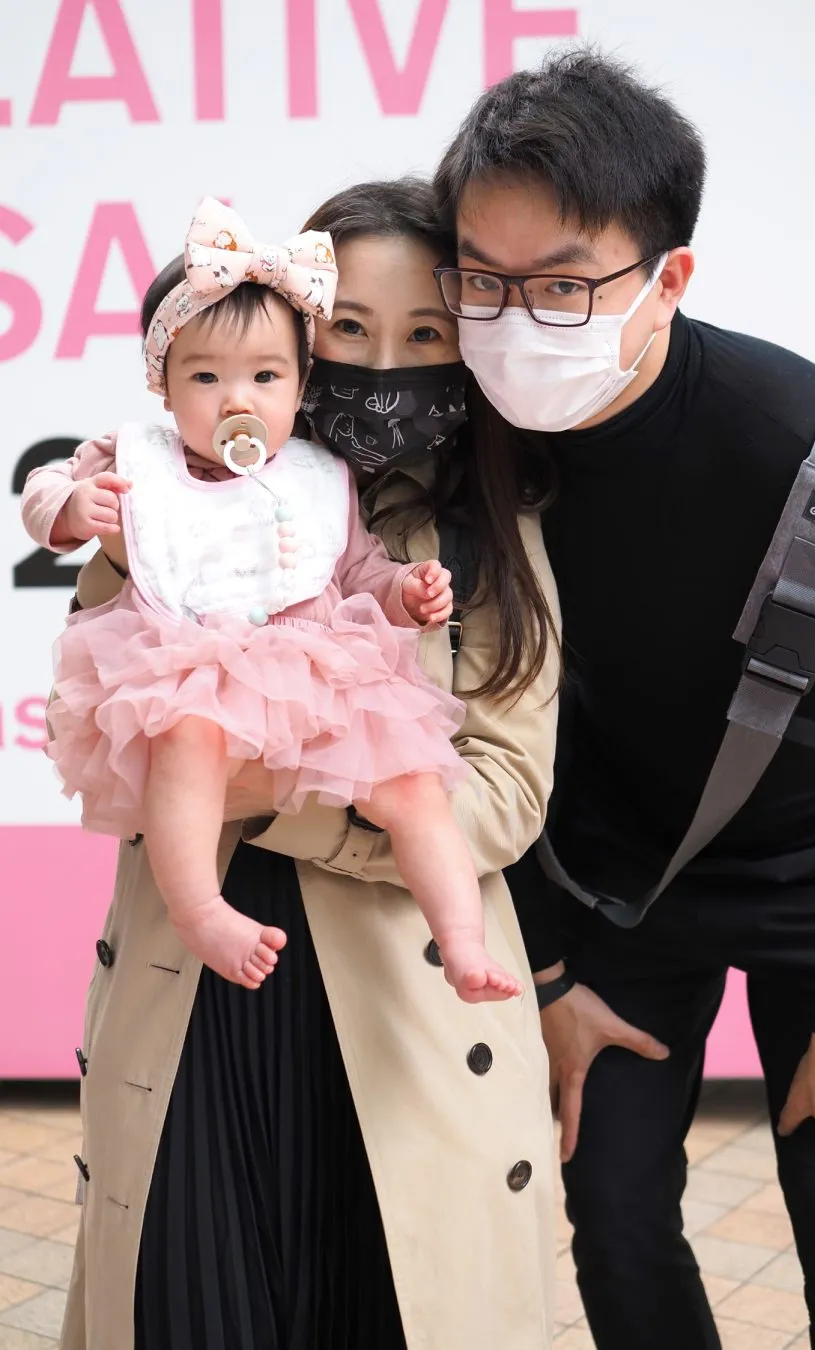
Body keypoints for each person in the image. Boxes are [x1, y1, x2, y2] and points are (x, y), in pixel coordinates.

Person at [434, 47, 815, 1350]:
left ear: (668, 279)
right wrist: (544, 971)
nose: (512, 322)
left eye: (562, 285)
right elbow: (460, 723)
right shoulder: (459, 446)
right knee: (612, 1210)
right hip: (614, 886)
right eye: (481, 279)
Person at [56, 179, 560, 1350]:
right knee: (189, 1298)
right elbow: (103, 707)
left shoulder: (485, 530)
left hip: (401, 1013)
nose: (384, 366)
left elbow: (504, 797)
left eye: (425, 334)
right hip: (194, 995)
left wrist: (280, 794)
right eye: (351, 330)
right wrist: (107, 519)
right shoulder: (168, 487)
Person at [24, 197, 520, 1003]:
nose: (237, 400)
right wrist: (74, 509)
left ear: (300, 384)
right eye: (205, 377)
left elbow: (355, 570)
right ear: (162, 384)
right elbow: (44, 488)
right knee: (187, 735)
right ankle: (199, 909)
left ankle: (462, 939)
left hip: (322, 680)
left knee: (411, 785)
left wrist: (404, 593)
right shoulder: (138, 458)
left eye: (265, 376)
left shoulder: (318, 475)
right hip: (196, 670)